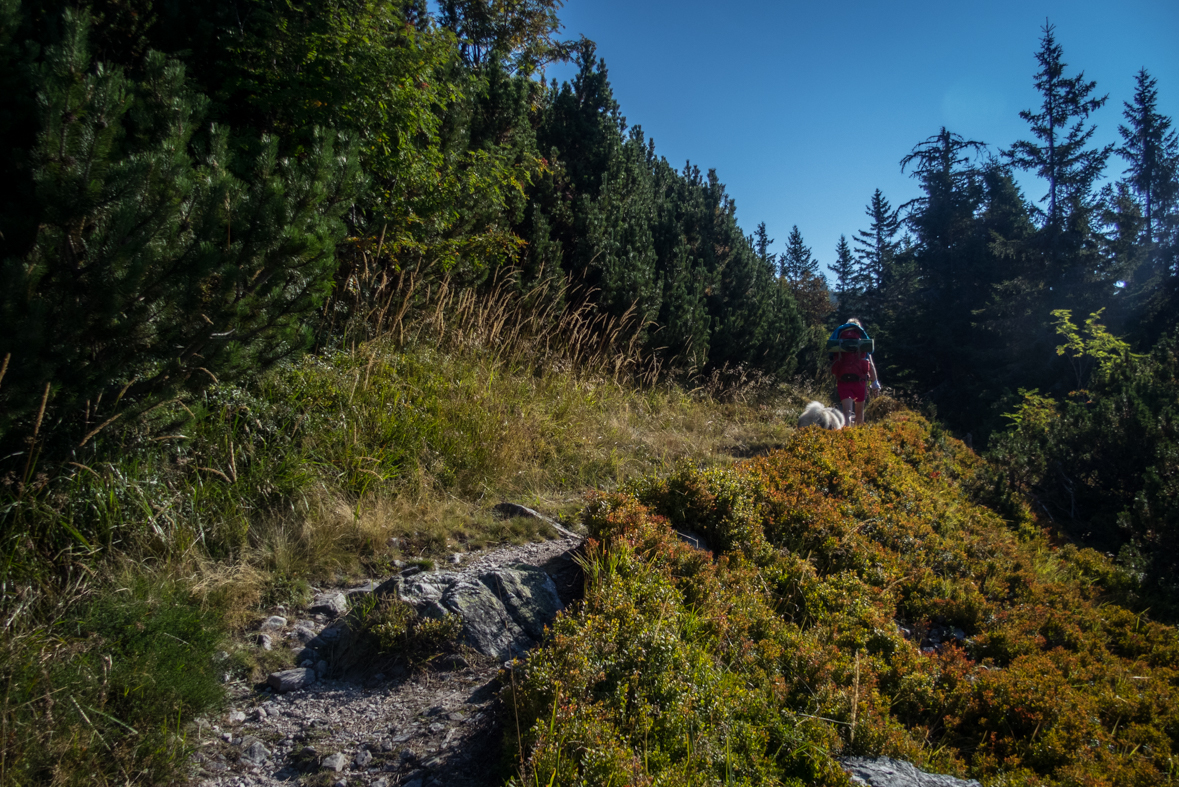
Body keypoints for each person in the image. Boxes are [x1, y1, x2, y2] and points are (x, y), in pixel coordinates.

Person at [830, 318, 879, 427]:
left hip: (843, 381)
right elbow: (870, 365)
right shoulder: (862, 343)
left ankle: (846, 439)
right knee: (859, 414)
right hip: (860, 382)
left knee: (847, 412)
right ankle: (858, 439)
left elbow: (832, 359)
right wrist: (875, 383)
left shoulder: (839, 342)